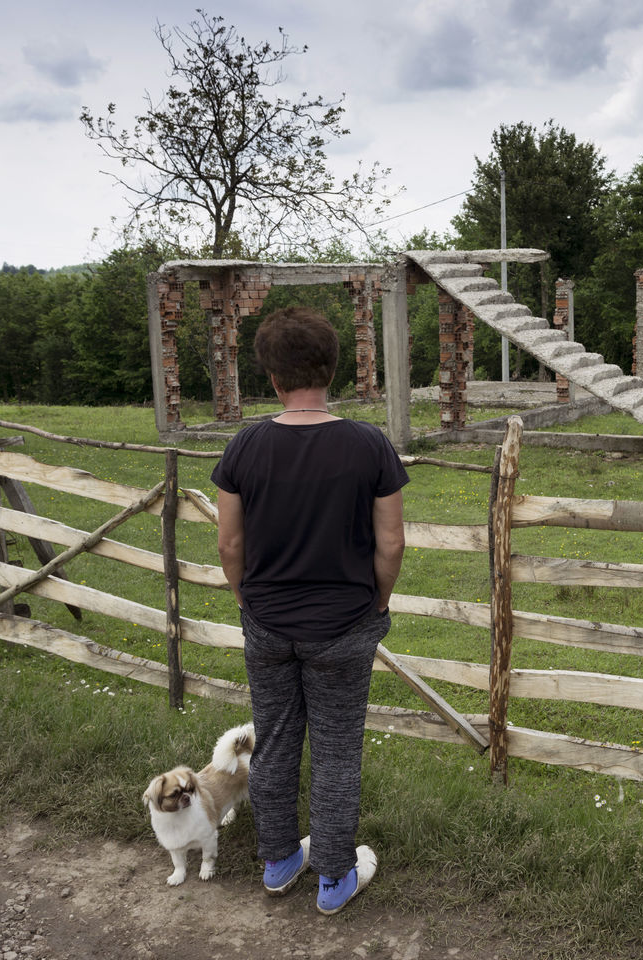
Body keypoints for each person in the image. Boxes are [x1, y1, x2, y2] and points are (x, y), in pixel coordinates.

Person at [211, 306, 408, 915]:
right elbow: (392, 542)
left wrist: (246, 597)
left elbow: (229, 544)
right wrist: (377, 600)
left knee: (271, 744)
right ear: (333, 370)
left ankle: (278, 863)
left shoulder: (245, 445)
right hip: (344, 626)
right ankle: (333, 879)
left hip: (268, 622)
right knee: (337, 751)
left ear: (271, 377)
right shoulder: (369, 444)